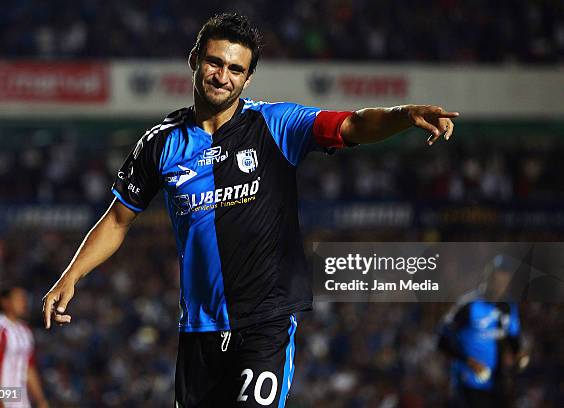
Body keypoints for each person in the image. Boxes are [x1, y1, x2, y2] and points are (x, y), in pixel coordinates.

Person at [42, 12, 459, 407]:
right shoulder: (160, 143)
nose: (222, 77)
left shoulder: (275, 126)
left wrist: (402, 115)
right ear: (195, 59)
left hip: (264, 325)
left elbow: (353, 124)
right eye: (214, 62)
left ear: (248, 77)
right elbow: (118, 218)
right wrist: (71, 275)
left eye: (235, 69)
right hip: (199, 334)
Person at [438, 255, 529, 408]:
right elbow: (442, 340)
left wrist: (520, 354)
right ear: (487, 277)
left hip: (497, 384)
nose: (500, 284)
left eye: (505, 280)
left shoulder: (507, 308)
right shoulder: (469, 306)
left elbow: (514, 340)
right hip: (469, 384)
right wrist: (469, 361)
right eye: (497, 278)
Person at [0, 286, 48, 408]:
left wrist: (40, 400)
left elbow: (29, 368)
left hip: (22, 401)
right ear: (5, 302)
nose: (24, 302)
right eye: (19, 299)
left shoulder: (25, 331)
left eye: (24, 299)